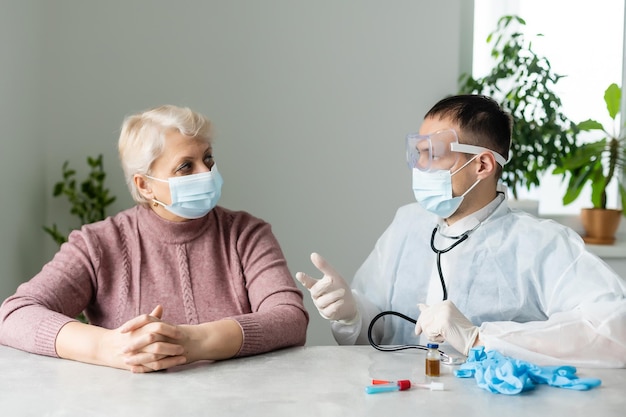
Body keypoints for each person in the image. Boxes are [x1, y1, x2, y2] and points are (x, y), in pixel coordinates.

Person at [296, 94, 626, 368]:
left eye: (434, 153)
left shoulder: (542, 245)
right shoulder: (407, 226)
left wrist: (479, 339)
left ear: (482, 165)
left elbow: (614, 329)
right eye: (418, 152)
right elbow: (379, 328)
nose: (419, 167)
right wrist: (351, 311)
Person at [0, 105, 308, 372]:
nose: (206, 172)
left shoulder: (246, 234)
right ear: (145, 185)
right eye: (186, 166)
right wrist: (108, 346)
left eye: (208, 158)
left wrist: (193, 342)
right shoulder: (98, 244)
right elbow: (14, 315)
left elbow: (290, 318)